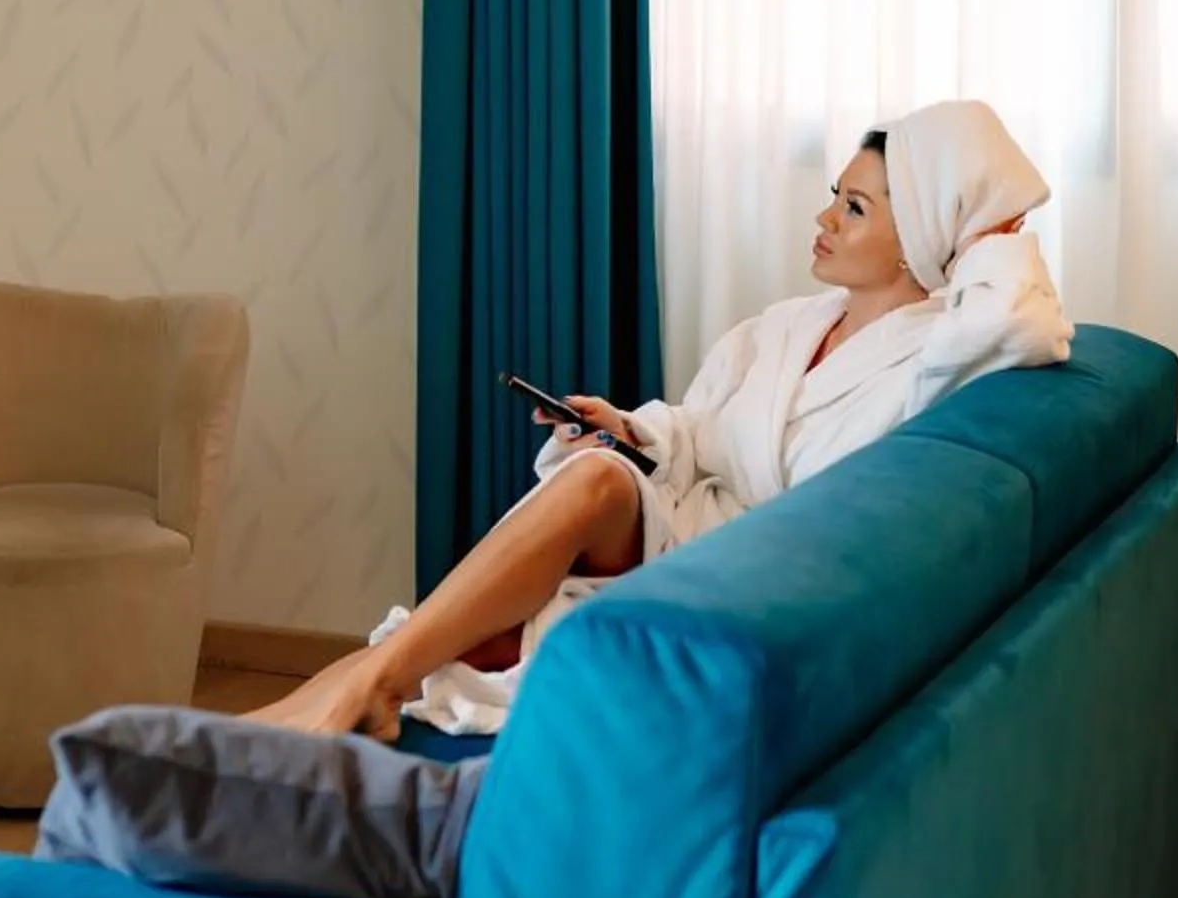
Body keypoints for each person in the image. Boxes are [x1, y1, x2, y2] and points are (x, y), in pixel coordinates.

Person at [250, 100, 1074, 742]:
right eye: (834, 196)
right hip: (691, 528)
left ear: (920, 239)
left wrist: (993, 227)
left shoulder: (937, 356)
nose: (824, 219)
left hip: (766, 580)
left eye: (855, 209)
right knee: (601, 469)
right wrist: (636, 429)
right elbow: (702, 431)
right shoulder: (786, 327)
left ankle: (361, 679)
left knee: (598, 484)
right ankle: (373, 678)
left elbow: (1026, 326)